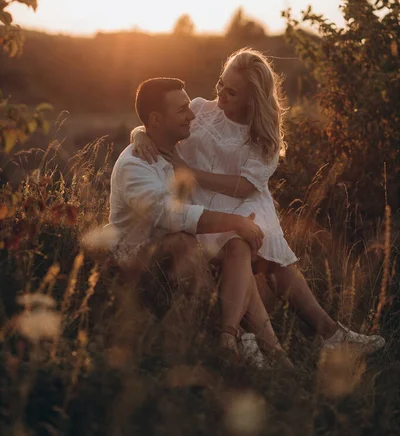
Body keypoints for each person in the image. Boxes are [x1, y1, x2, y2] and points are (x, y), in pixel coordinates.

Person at [131, 48, 385, 355]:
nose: (221, 95)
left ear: (252, 99)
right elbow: (166, 125)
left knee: (268, 256)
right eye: (220, 84)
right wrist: (138, 134)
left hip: (245, 201)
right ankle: (310, 335)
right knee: (255, 256)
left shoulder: (265, 136)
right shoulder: (202, 109)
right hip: (200, 199)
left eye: (232, 92)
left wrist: (190, 172)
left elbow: (243, 186)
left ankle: (314, 335)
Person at [107, 77, 290, 364]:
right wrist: (235, 221)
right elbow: (171, 216)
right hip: (137, 262)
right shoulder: (134, 164)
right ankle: (224, 342)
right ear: (156, 119)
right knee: (187, 242)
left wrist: (239, 224)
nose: (192, 114)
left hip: (176, 251)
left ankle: (267, 349)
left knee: (235, 249)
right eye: (182, 110)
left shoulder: (175, 150)